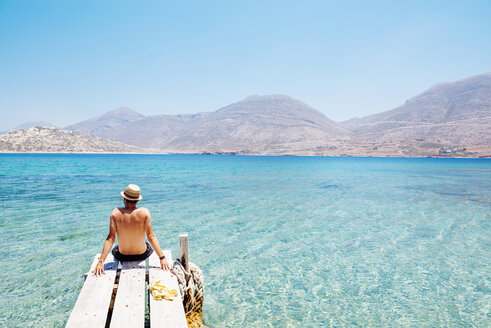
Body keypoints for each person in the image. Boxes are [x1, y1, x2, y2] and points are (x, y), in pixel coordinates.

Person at [93, 184, 170, 275]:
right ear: (137, 200)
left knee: (116, 248)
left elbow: (111, 238)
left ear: (124, 199)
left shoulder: (115, 213)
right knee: (146, 244)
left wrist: (101, 262)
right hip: (141, 254)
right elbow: (151, 236)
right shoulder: (144, 212)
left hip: (123, 256)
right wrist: (162, 258)